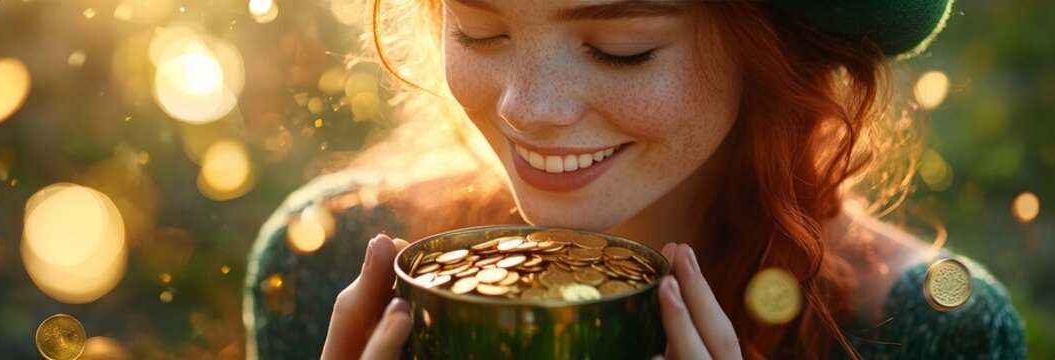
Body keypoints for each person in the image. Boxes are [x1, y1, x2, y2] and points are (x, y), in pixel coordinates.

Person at [244, 0, 1027, 359]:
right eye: (480, 30)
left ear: (773, 47)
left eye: (621, 47)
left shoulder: (929, 334)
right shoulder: (330, 269)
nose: (528, 109)